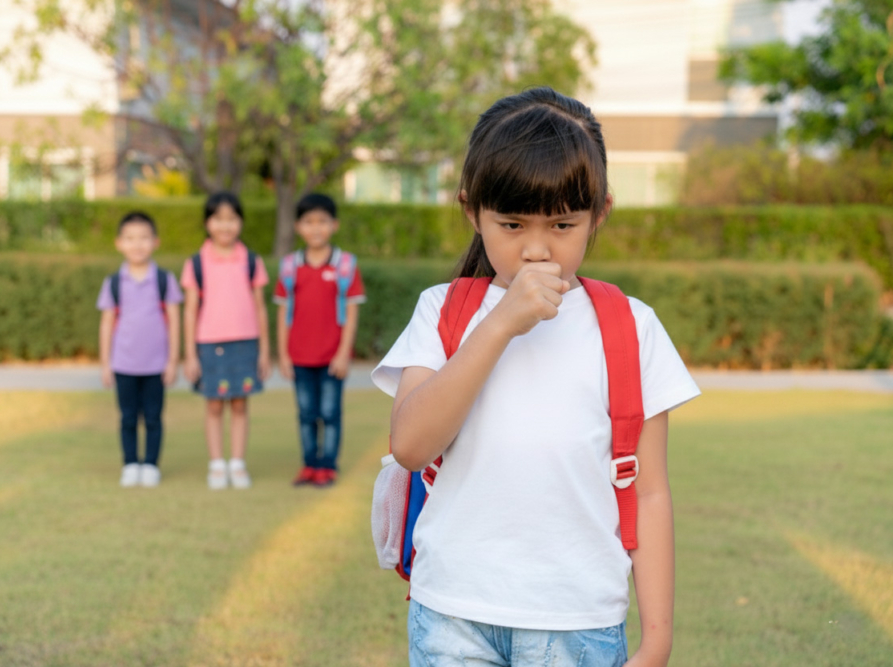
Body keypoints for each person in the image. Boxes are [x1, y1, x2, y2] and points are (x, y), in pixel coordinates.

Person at [371, 87, 701, 666]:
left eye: (563, 225)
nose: (536, 249)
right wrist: (499, 324)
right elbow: (410, 444)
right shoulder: (441, 310)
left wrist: (658, 638)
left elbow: (648, 491)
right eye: (512, 224)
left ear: (600, 213)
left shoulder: (631, 327)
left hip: (579, 624)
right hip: (452, 615)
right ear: (472, 210)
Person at [274, 193, 366, 487]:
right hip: (299, 357)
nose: (316, 228)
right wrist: (283, 355)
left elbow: (351, 314)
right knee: (305, 414)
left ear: (334, 225)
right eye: (309, 222)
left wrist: (343, 353)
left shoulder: (345, 266)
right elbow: (283, 313)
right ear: (299, 226)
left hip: (331, 358)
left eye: (322, 222)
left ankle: (328, 466)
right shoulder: (290, 267)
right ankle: (309, 465)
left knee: (330, 413)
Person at [182, 191, 270, 490]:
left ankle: (237, 463)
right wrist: (190, 355)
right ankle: (217, 464)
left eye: (231, 218)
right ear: (208, 223)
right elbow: (190, 311)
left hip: (246, 343)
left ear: (240, 222)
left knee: (240, 406)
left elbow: (260, 308)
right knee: (214, 407)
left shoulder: (251, 261)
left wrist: (265, 351)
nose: (225, 226)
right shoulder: (196, 263)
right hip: (209, 344)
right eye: (218, 219)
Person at [97, 211, 182, 488]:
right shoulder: (113, 283)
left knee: (154, 418)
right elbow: (107, 323)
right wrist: (105, 363)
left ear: (155, 242)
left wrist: (172, 361)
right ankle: (131, 463)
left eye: (144, 238)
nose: (137, 244)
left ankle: (151, 465)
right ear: (118, 243)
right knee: (128, 418)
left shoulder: (164, 280)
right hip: (123, 364)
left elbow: (175, 321)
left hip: (156, 365)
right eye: (130, 238)